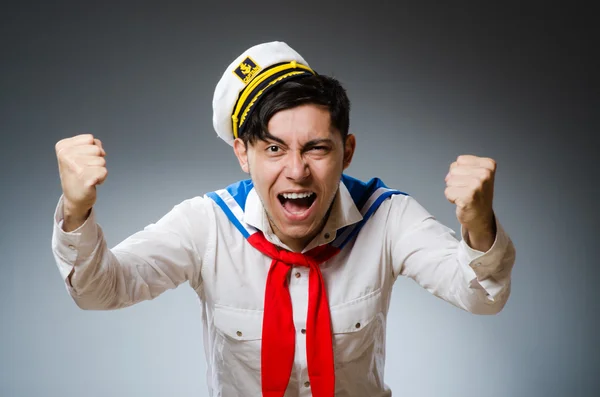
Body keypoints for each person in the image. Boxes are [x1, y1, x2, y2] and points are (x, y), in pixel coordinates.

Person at [52, 41, 516, 397]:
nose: (297, 170)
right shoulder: (207, 224)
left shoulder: (387, 217)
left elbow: (482, 297)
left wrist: (477, 223)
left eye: (316, 147)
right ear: (243, 154)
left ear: (346, 152)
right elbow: (100, 291)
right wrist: (76, 211)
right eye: (273, 148)